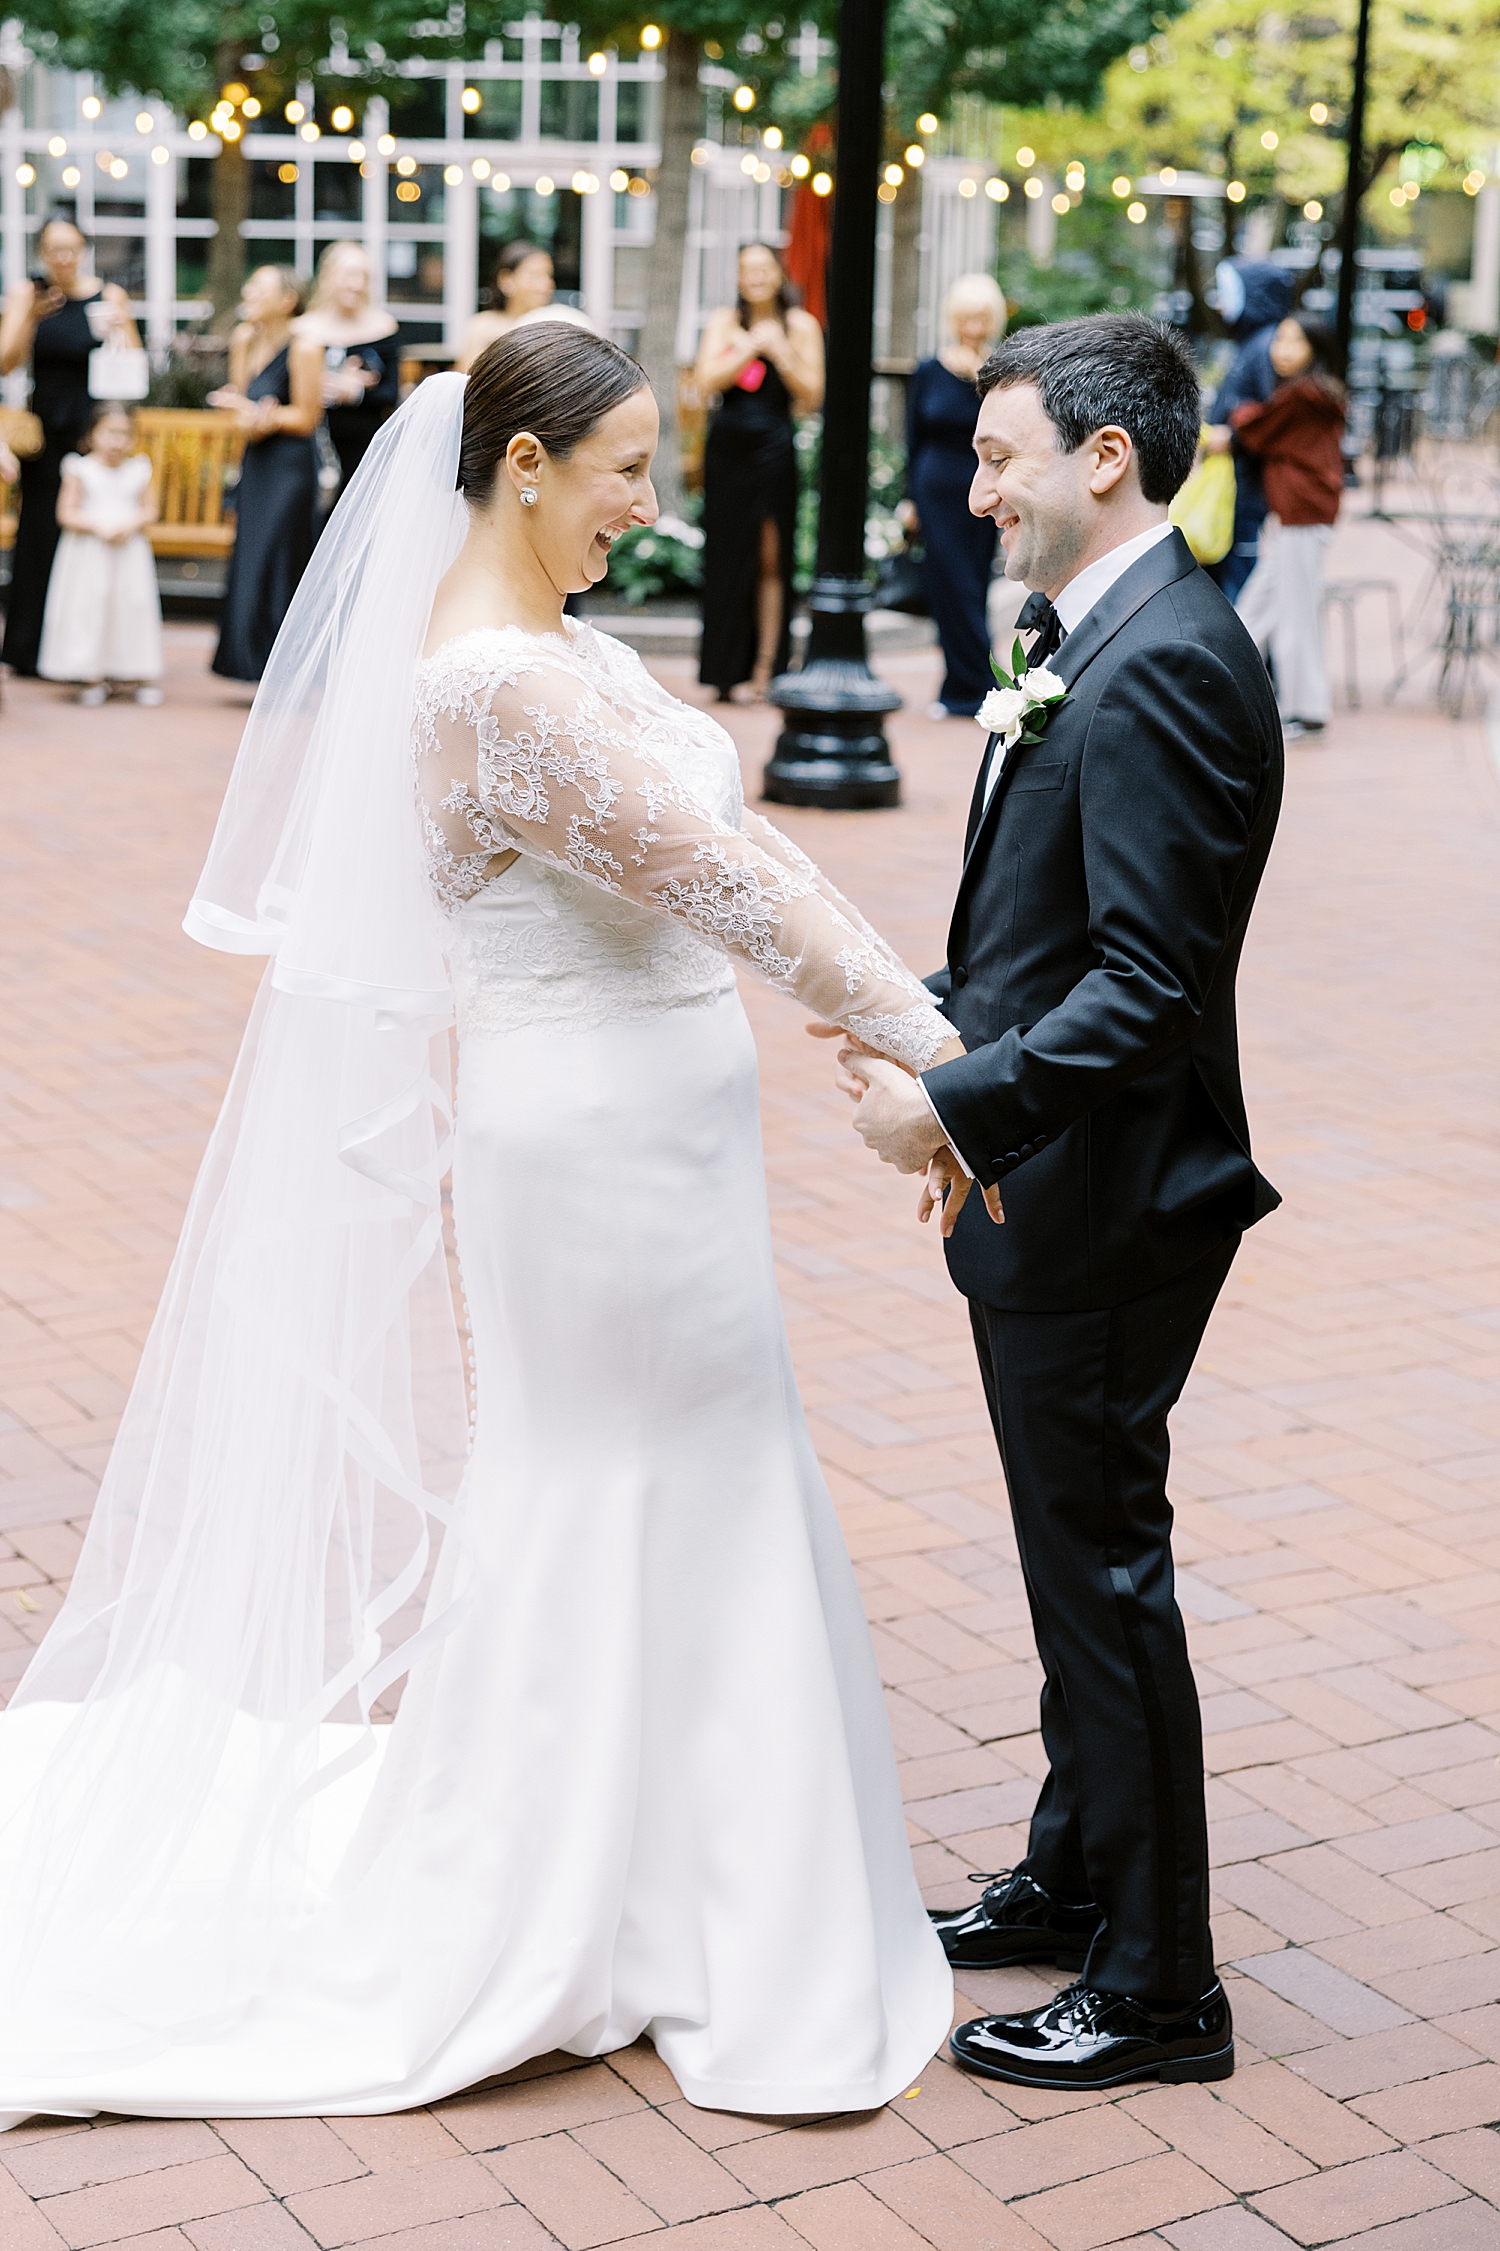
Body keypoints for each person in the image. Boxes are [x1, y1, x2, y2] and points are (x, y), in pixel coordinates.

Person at [0, 327, 954, 2129]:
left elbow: (752, 863)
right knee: (605, 1475)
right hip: (588, 1141)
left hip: (667, 1123)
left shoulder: (567, 648)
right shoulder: (487, 690)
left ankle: (681, 1855)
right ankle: (580, 1878)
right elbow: (726, 879)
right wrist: (938, 1046)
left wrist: (934, 1040)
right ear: (524, 465)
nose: (649, 508)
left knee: (710, 1467)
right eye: (625, 471)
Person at [829, 313, 1283, 2094]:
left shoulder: (1164, 656)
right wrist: (943, 1046)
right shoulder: (1074, 633)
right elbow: (1040, 926)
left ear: (1107, 458)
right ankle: (1076, 1870)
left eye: (999, 451)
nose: (972, 480)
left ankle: (1164, 1986)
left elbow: (1150, 983)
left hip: (1109, 1197)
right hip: (1049, 1175)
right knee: (1064, 1558)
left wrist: (947, 1101)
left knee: (1102, 1575)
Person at [0, 216, 139, 676]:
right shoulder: (28, 292)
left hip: (94, 430)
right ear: (42, 252)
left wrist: (120, 328)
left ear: (84, 249)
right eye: (53, 248)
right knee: (40, 536)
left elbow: (134, 367)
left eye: (71, 247)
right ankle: (29, 649)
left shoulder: (110, 296)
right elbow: (6, 363)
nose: (63, 257)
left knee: (87, 540)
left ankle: (87, 653)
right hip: (47, 429)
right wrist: (29, 318)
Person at [696, 242, 825, 702]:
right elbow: (705, 382)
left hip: (774, 447)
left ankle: (767, 666)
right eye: (746, 269)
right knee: (728, 556)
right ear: (737, 276)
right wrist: (748, 347)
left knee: (772, 557)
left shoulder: (801, 325)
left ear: (778, 273)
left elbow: (811, 396)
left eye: (763, 268)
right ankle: (724, 670)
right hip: (728, 449)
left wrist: (781, 352)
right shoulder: (723, 323)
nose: (754, 277)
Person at [1228, 315, 1346, 741]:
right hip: (1299, 515)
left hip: (1302, 514)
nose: (1282, 349)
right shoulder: (1311, 393)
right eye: (1279, 339)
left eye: (1295, 341)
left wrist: (1239, 416)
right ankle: (1227, 693)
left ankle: (1306, 710)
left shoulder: (1304, 395)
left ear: (1315, 349)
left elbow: (1254, 428)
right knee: (1256, 609)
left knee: (1295, 613)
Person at [209, 265, 324, 683]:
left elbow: (307, 417)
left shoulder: (305, 348)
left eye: (260, 288)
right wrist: (244, 416)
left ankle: (285, 668)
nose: (249, 292)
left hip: (291, 467)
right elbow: (242, 402)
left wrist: (268, 420)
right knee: (249, 555)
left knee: (279, 556)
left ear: (286, 301)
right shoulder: (244, 338)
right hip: (256, 461)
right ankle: (247, 662)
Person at [902, 274, 1007, 718]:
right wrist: (909, 498)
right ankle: (978, 685)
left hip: (983, 485)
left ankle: (963, 686)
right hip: (936, 488)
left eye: (982, 319)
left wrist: (982, 380)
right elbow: (913, 436)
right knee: (949, 586)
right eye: (966, 318)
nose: (974, 327)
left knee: (974, 585)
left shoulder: (1000, 371)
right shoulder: (929, 369)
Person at [38, 401, 163, 704]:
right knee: (90, 609)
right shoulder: (80, 469)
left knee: (130, 607)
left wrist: (130, 524)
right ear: (92, 434)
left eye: (124, 434)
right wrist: (97, 526)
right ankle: (91, 673)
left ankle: (134, 672)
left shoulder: (138, 469)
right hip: (90, 554)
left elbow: (150, 510)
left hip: (128, 553)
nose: (116, 442)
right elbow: (66, 513)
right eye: (109, 433)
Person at [1204, 257, 1295, 603]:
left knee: (1242, 584)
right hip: (1236, 485)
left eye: (1227, 292)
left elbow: (1276, 417)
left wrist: (1235, 439)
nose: (1218, 302)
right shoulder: (1253, 343)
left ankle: (1247, 657)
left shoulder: (1265, 347)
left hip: (1246, 486)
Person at [296, 241, 400, 504]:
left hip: (365, 451)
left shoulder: (384, 327)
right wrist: (323, 386)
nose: (357, 284)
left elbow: (391, 393)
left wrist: (355, 392)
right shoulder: (301, 330)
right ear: (328, 277)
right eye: (349, 275)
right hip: (311, 451)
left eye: (364, 276)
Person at [455, 240, 556, 371]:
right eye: (534, 275)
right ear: (506, 280)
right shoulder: (482, 326)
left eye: (549, 276)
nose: (545, 284)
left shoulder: (554, 328)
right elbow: (467, 378)